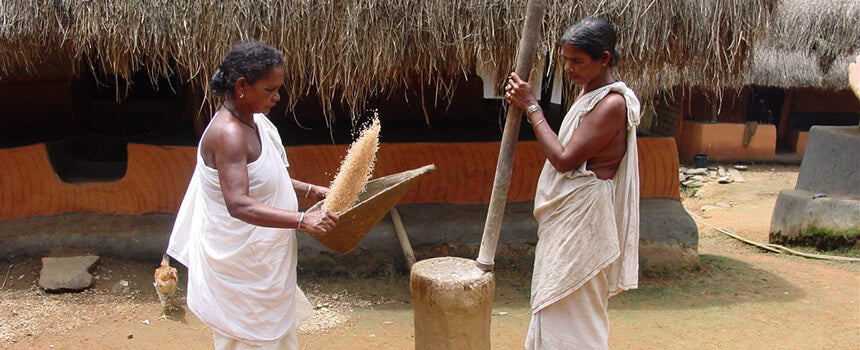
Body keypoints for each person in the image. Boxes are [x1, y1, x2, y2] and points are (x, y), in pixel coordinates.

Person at [167, 41, 339, 349]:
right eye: (270, 90)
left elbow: (267, 179)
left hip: (263, 262)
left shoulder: (257, 123)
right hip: (242, 268)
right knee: (248, 341)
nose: (277, 97)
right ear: (242, 86)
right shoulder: (229, 135)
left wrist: (312, 191)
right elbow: (239, 203)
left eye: (278, 89)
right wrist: (302, 220)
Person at [504, 17, 640, 349]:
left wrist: (531, 106)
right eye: (565, 59)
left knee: (574, 306)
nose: (568, 68)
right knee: (553, 304)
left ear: (604, 59)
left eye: (577, 61)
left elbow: (564, 160)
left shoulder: (611, 104)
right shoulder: (588, 95)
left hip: (585, 223)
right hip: (570, 221)